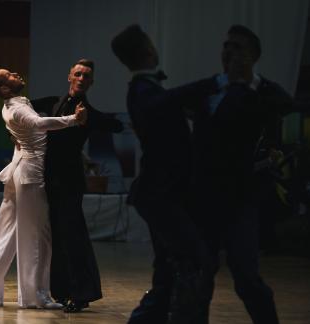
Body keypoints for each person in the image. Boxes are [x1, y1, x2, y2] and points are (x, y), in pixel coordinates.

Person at [111, 25, 218, 324]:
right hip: (159, 195)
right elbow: (163, 103)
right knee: (195, 260)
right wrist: (212, 83)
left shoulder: (149, 90)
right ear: (148, 52)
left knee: (169, 270)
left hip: (164, 194)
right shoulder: (144, 91)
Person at [189, 25, 294, 324]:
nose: (229, 52)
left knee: (246, 276)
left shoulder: (262, 93)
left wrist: (248, 82)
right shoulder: (209, 89)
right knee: (200, 275)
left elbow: (286, 104)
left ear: (253, 57)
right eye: (227, 46)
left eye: (238, 48)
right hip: (204, 197)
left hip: (240, 200)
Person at [0, 67, 86, 309]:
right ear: (4, 88)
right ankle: (35, 296)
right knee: (37, 237)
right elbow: (39, 123)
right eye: (9, 75)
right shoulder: (18, 108)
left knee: (8, 231)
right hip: (30, 175)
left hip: (19, 169)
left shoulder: (11, 106)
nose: (15, 74)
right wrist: (73, 120)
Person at [30, 59, 123, 312]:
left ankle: (82, 293)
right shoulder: (52, 102)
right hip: (48, 179)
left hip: (69, 182)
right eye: (78, 74)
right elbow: (22, 107)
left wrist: (92, 120)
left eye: (87, 76)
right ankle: (61, 291)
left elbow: (115, 124)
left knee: (73, 236)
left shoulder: (89, 113)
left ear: (91, 83)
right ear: (70, 76)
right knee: (57, 237)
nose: (81, 78)